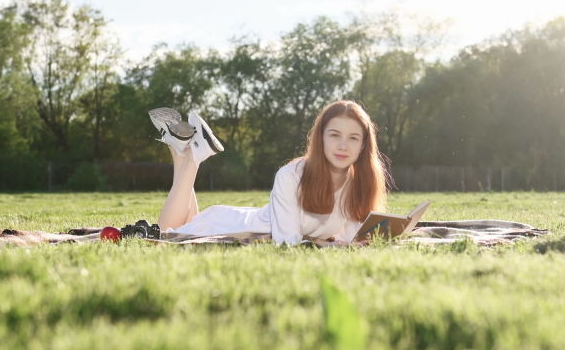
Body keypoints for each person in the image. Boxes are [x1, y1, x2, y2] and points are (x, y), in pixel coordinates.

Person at [149, 100, 389, 245]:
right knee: (164, 233)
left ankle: (180, 149)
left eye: (353, 138)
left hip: (236, 217)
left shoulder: (358, 183)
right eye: (335, 135)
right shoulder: (292, 176)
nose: (343, 146)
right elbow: (288, 243)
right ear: (321, 138)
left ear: (364, 145)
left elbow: (353, 235)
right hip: (229, 227)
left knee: (188, 221)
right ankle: (192, 155)